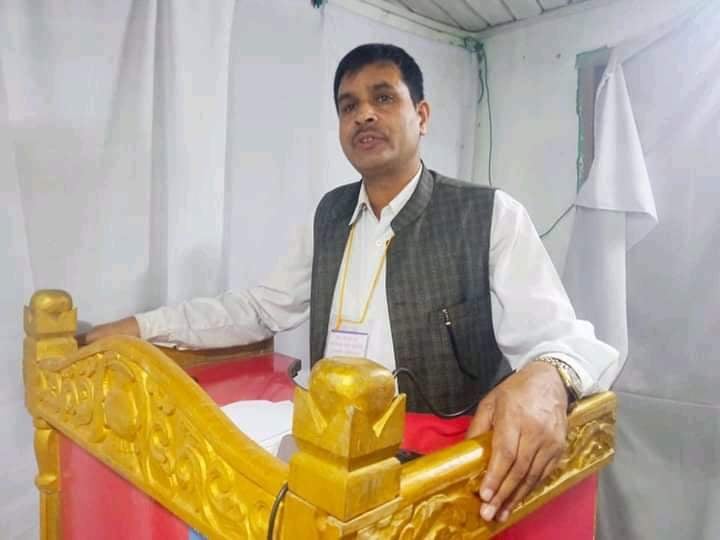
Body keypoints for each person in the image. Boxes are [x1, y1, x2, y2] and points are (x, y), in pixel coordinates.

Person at [84, 43, 617, 524]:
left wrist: (548, 377)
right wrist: (141, 327)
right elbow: (258, 309)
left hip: (436, 480)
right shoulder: (329, 214)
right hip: (323, 453)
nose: (364, 113)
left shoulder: (488, 215)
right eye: (348, 105)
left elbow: (563, 339)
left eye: (383, 98)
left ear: (421, 115)